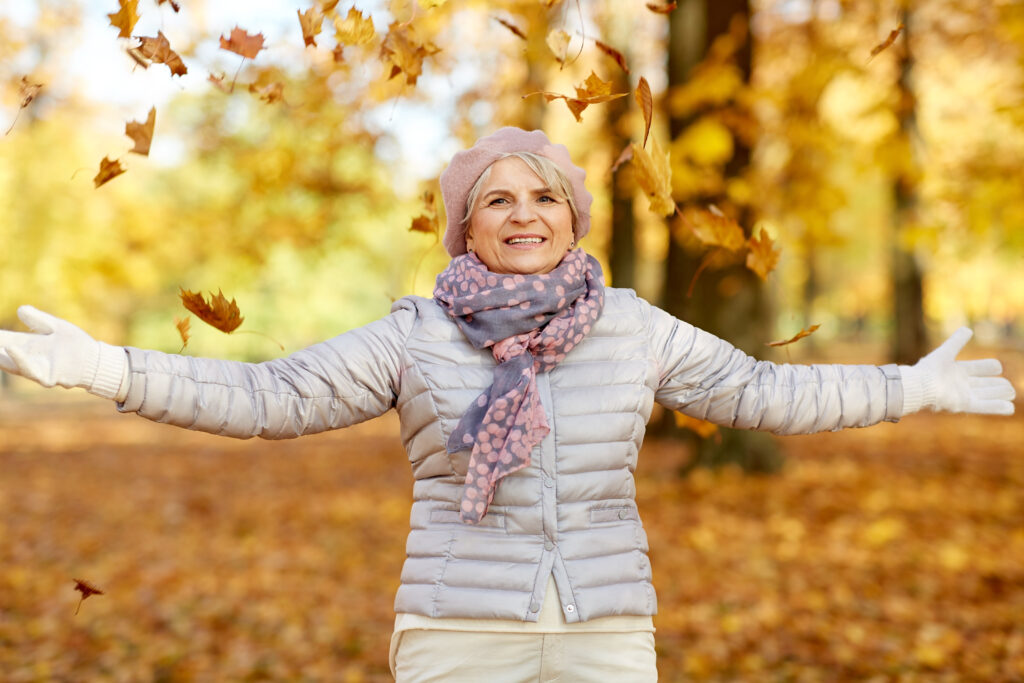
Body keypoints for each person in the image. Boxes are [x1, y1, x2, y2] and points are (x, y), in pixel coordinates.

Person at [0, 127, 1016, 682]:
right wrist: (111, 369)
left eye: (542, 196)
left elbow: (764, 389)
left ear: (571, 218)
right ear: (465, 228)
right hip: (455, 631)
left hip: (604, 629)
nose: (521, 212)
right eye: (496, 197)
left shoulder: (630, 324)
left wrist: (911, 385)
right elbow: (273, 394)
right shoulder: (415, 331)